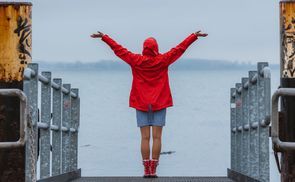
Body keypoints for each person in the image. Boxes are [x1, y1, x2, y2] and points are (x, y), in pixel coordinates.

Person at [91, 30, 207, 178]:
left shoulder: (136, 60)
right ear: (156, 48)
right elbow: (179, 49)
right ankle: (154, 169)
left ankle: (146, 169)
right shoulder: (163, 60)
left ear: (144, 48)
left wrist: (104, 37)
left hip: (141, 103)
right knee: (157, 137)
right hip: (160, 102)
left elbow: (118, 50)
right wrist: (194, 36)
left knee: (145, 137)